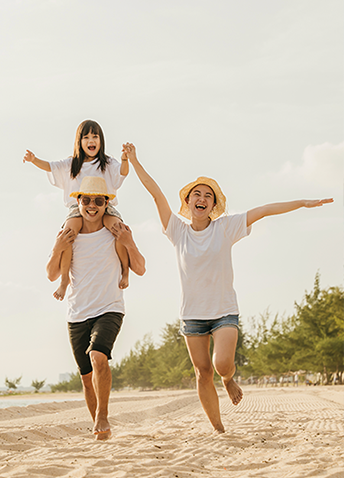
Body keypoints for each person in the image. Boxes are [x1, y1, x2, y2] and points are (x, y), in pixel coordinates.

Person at [123, 142, 333, 433]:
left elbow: (265, 210)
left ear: (213, 205)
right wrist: (134, 160)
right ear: (188, 201)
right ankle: (219, 427)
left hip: (224, 311)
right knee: (202, 372)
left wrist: (303, 203)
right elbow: (155, 192)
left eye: (208, 195)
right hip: (192, 315)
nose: (202, 198)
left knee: (221, 365)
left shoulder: (226, 227)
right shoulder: (177, 230)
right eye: (196, 193)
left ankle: (229, 377)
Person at [46, 176, 146, 440]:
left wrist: (130, 242)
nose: (92, 206)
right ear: (78, 201)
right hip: (77, 313)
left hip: (109, 307)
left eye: (98, 201)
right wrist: (57, 248)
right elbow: (50, 274)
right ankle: (101, 431)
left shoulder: (115, 231)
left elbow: (142, 268)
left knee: (98, 357)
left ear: (106, 204)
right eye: (87, 200)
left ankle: (103, 415)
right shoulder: (70, 234)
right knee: (86, 376)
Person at [24, 119, 130, 301]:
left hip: (104, 204)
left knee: (118, 229)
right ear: (79, 142)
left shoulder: (107, 162)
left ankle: (125, 271)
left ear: (101, 140)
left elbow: (123, 172)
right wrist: (34, 160)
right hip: (77, 206)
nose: (91, 140)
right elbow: (51, 166)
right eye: (86, 137)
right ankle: (65, 280)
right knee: (68, 235)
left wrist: (125, 159)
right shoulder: (72, 163)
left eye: (95, 136)